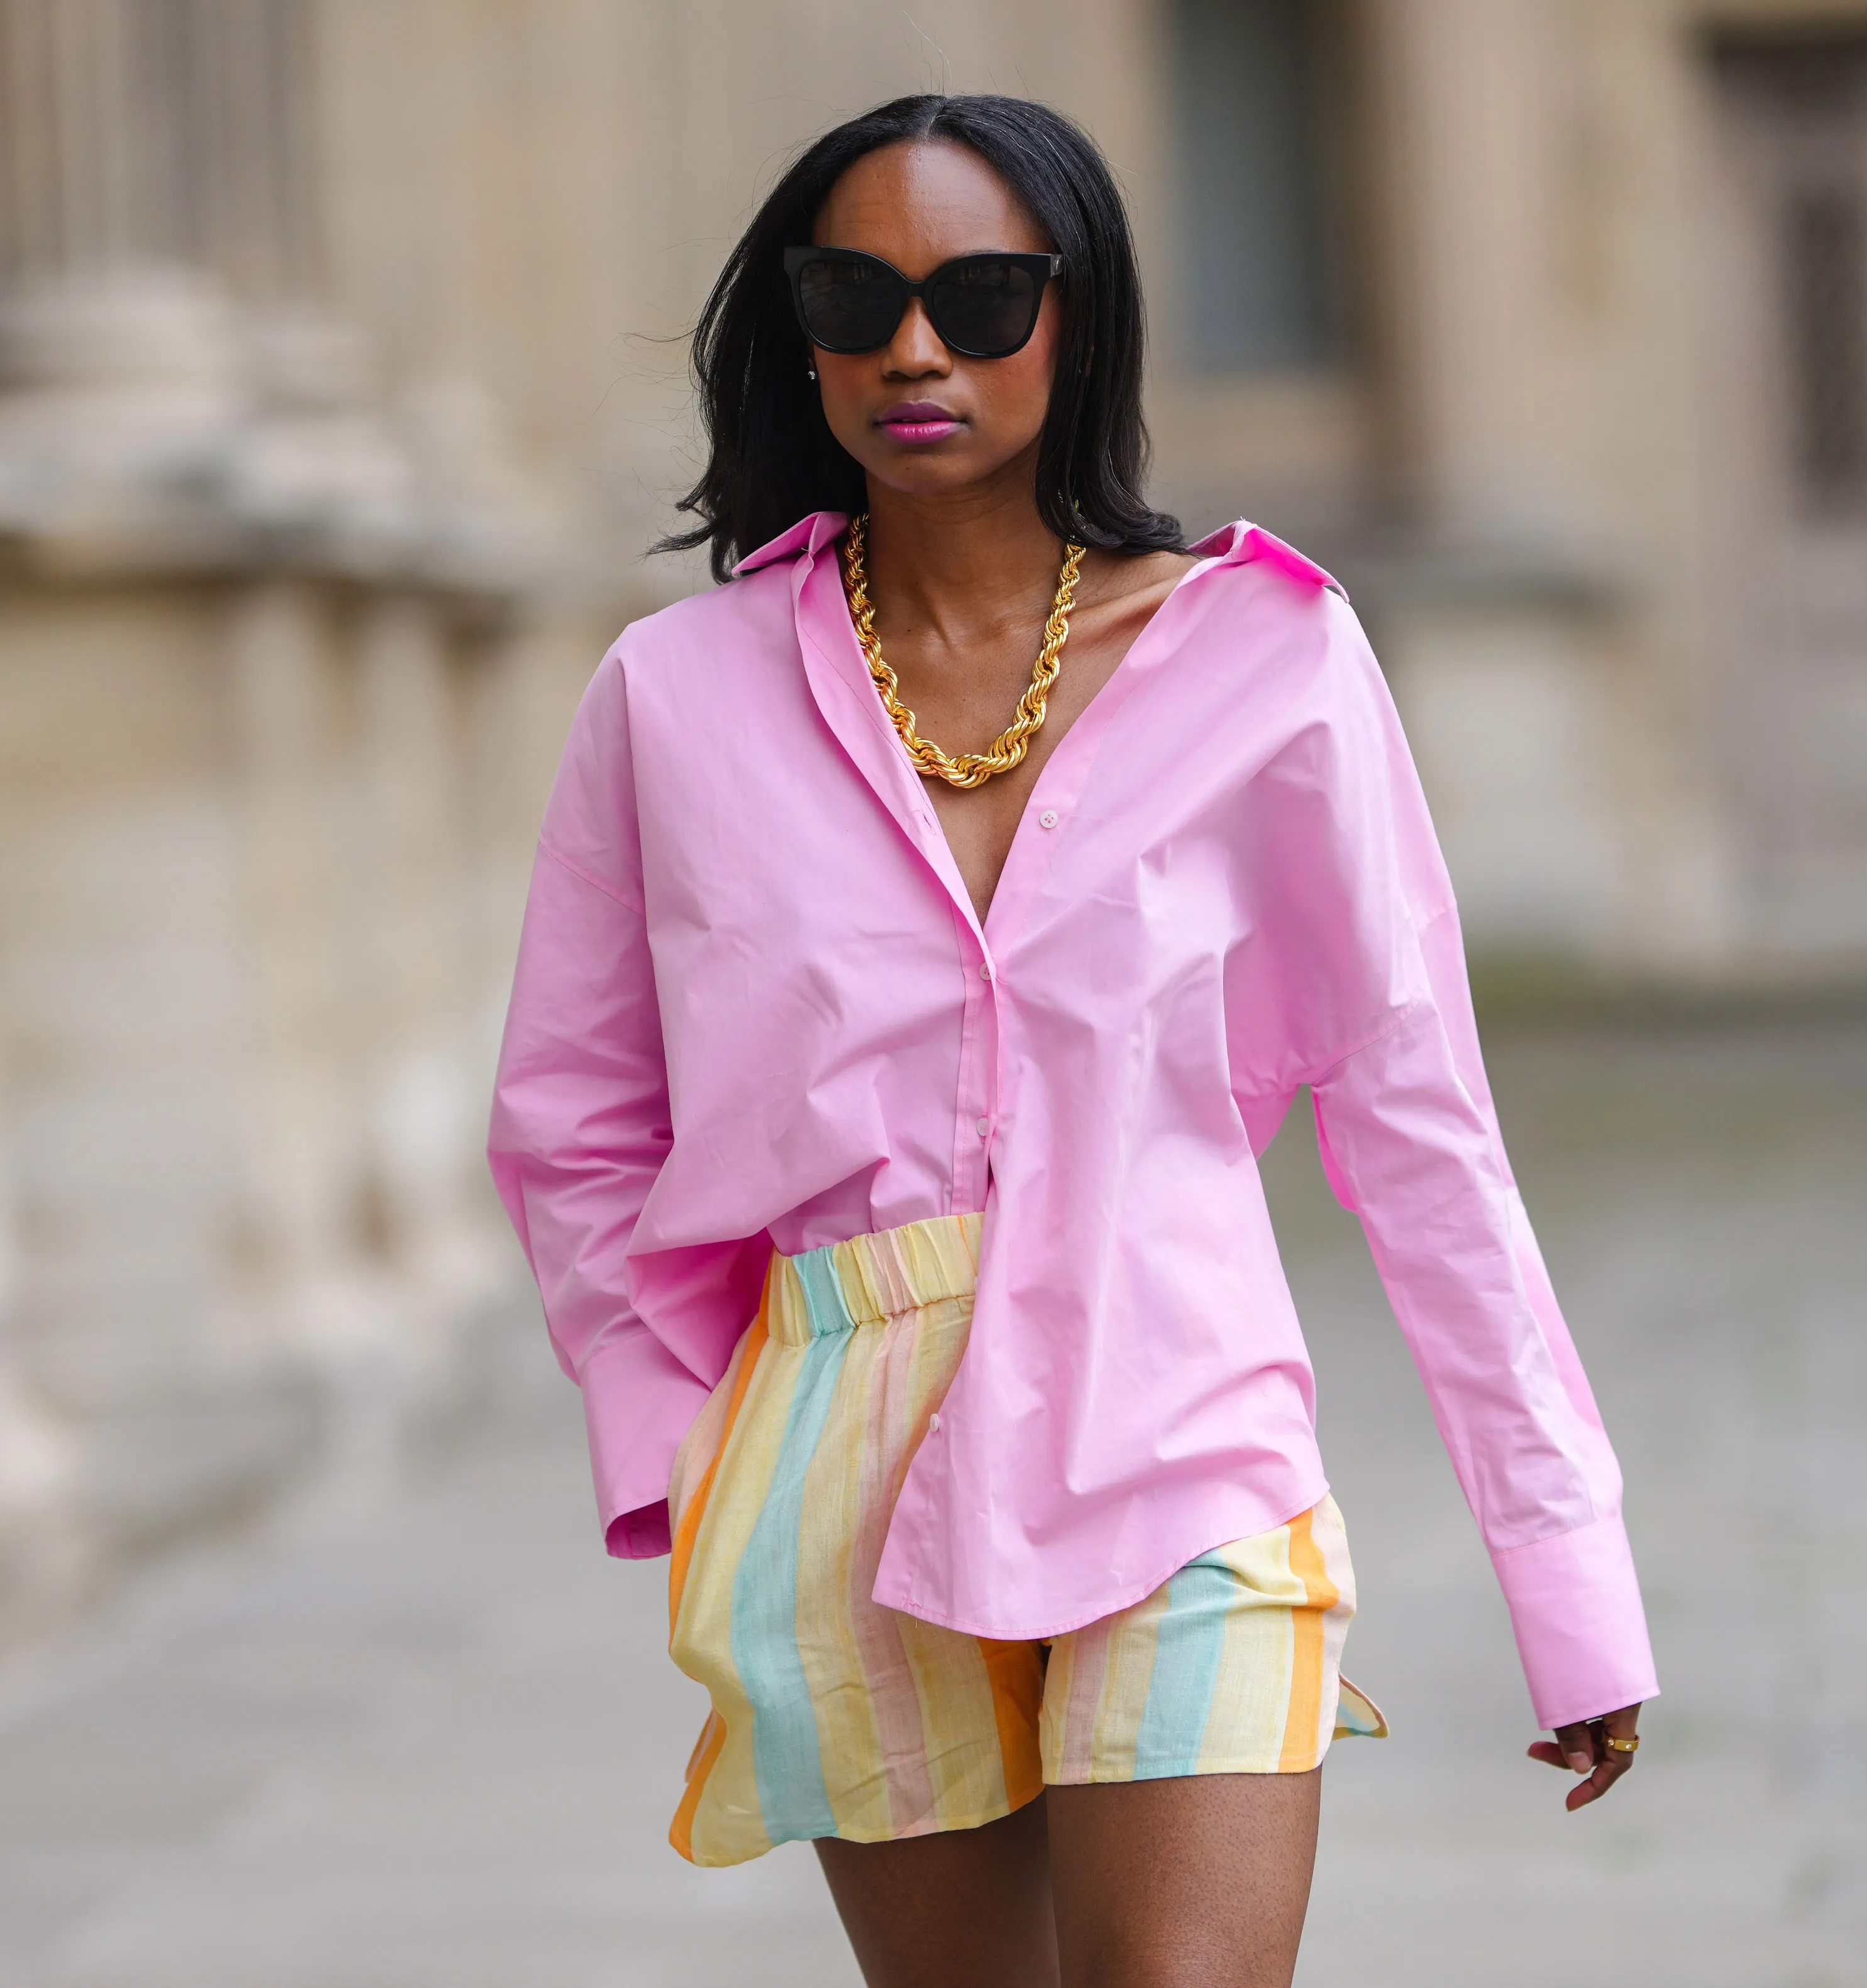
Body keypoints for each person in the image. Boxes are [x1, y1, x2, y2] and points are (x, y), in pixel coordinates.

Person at [486, 93, 1655, 1988]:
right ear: (800, 330)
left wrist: (1565, 1569)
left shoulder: (1270, 657)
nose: (913, 347)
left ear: (1080, 316)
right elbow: (576, 1118)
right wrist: (681, 1442)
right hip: (839, 1443)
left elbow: (1421, 1121)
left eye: (979, 296)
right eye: (855, 296)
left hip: (1177, 1395)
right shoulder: (671, 695)